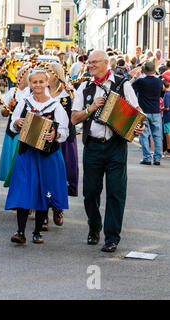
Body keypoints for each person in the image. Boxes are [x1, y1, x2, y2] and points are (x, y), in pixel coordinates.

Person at [71, 50, 145, 253]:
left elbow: (137, 113)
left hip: (116, 146)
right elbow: (74, 118)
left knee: (116, 192)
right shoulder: (84, 87)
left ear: (106, 63)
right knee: (90, 193)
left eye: (95, 62)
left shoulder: (122, 84)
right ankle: (94, 227)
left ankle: (112, 238)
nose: (90, 65)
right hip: (93, 146)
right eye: (89, 62)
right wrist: (91, 107)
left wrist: (139, 125)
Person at [5, 69, 69, 245]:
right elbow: (12, 127)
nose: (38, 85)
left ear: (47, 83)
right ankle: (20, 231)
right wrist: (17, 123)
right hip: (27, 154)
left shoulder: (56, 106)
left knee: (45, 191)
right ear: (30, 84)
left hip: (48, 155)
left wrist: (54, 134)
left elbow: (65, 131)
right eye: (34, 82)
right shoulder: (24, 103)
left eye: (41, 82)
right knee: (24, 190)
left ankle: (38, 231)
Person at [46, 62, 79, 229]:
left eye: (49, 72)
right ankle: (42, 210)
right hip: (44, 139)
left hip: (64, 140)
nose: (46, 75)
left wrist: (71, 93)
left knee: (62, 174)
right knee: (45, 174)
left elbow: (74, 114)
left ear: (56, 75)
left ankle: (58, 208)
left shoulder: (67, 95)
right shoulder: (41, 93)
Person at [0, 66, 31, 183]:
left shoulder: (31, 92)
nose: (18, 80)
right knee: (11, 159)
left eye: (20, 77)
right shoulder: (12, 92)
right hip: (12, 130)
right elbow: (4, 113)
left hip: (26, 132)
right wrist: (8, 107)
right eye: (17, 78)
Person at [132, 61, 164, 165]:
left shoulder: (141, 81)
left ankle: (147, 158)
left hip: (143, 110)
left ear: (144, 70)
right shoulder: (159, 81)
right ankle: (157, 158)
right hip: (156, 111)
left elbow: (130, 87)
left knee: (144, 135)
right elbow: (161, 91)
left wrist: (137, 76)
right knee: (157, 135)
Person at [162, 71, 170, 157]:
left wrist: (161, 108)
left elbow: (167, 107)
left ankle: (168, 150)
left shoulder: (166, 95)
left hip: (167, 117)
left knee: (168, 133)